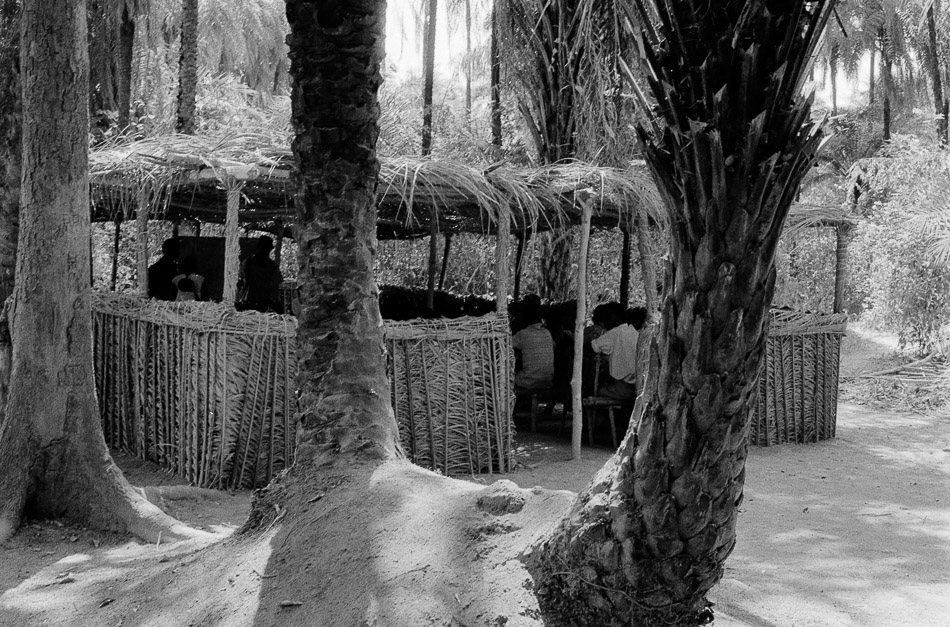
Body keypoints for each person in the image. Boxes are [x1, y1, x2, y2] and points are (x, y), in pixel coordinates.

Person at [590, 301, 639, 402]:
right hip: (637, 386)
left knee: (593, 390)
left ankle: (599, 418)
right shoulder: (633, 331)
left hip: (623, 387)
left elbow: (594, 346)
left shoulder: (614, 333)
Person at [511, 296, 554, 392]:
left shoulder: (523, 334)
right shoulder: (547, 333)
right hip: (547, 381)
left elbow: (505, 344)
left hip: (528, 381)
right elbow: (553, 345)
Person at [237, 235, 284, 313]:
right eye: (264, 249)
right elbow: (240, 282)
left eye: (267, 250)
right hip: (249, 302)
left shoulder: (271, 265)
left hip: (265, 304)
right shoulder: (248, 263)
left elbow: (276, 284)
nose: (266, 252)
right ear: (259, 248)